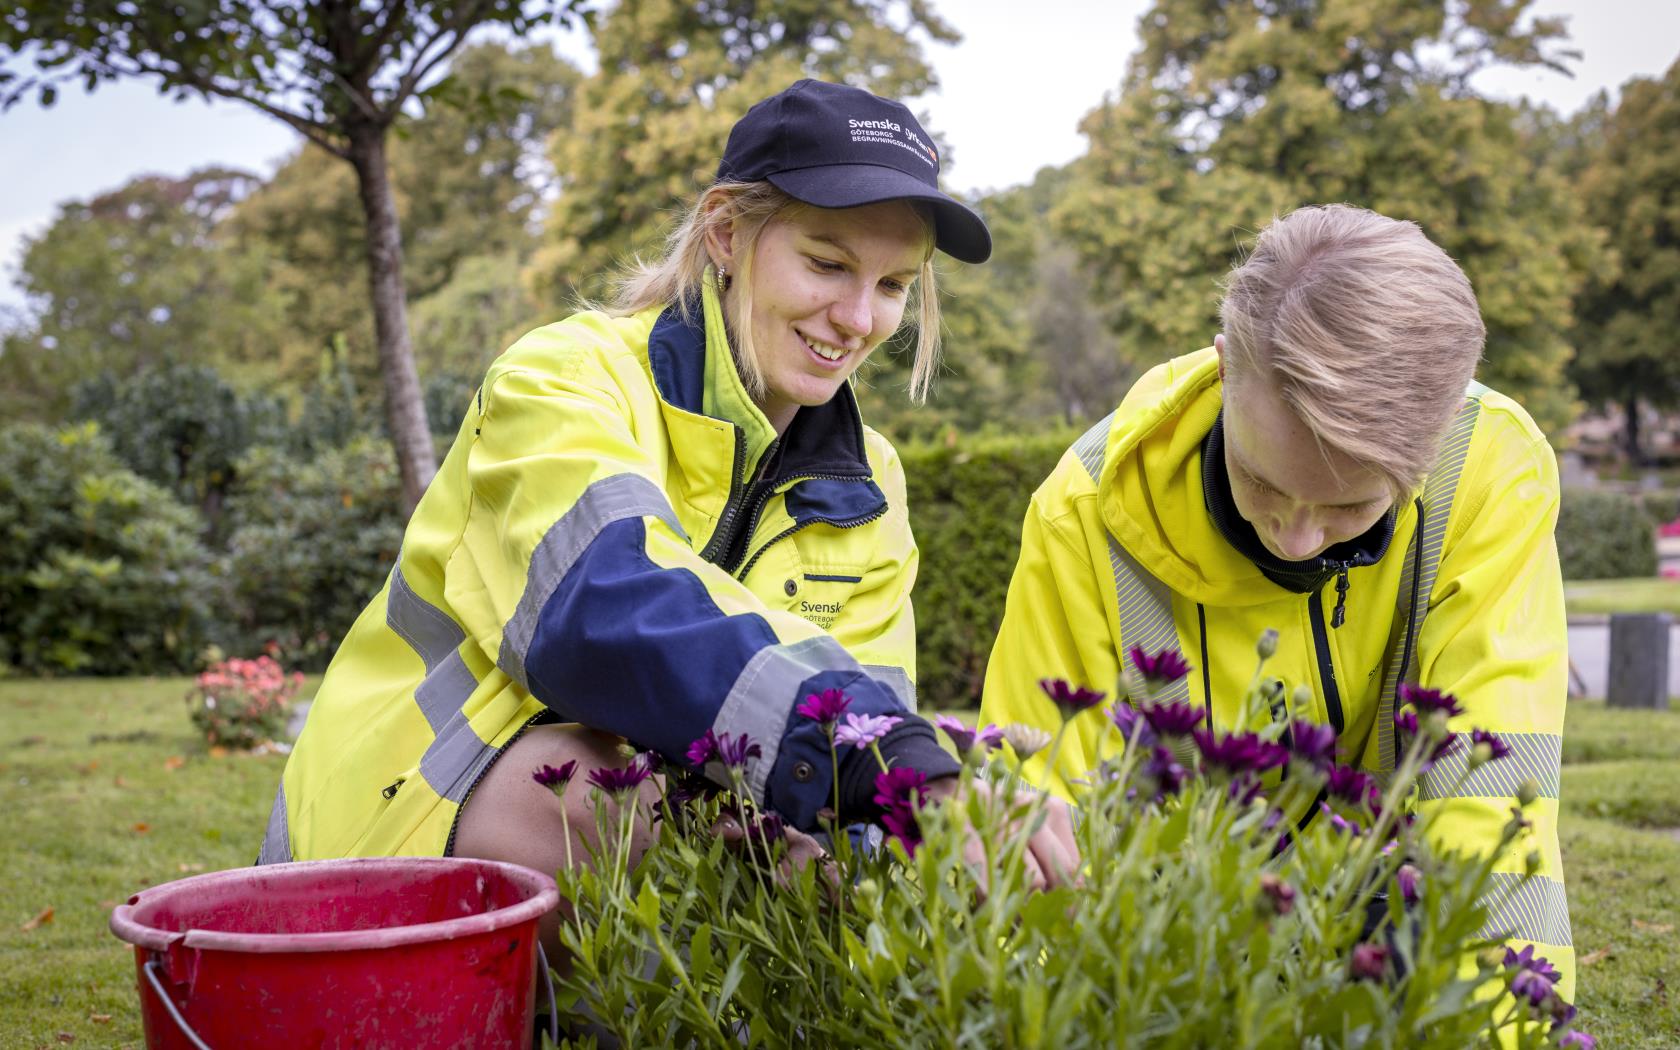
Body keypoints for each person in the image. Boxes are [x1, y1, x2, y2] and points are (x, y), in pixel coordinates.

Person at [259, 79, 1080, 953]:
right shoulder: (563, 378)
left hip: (663, 816)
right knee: (598, 795)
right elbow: (602, 609)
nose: (858, 318)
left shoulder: (872, 479)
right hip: (391, 829)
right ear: (727, 233)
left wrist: (890, 808)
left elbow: (867, 705)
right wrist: (872, 761)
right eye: (829, 264)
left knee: (854, 849)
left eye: (893, 285)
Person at [979, 205, 1573, 999]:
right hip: (1160, 950)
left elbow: (1491, 816)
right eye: (1262, 481)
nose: (1295, 541)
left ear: (1429, 446)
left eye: (1350, 510)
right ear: (1226, 367)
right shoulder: (1083, 510)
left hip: (1383, 920)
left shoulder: (1491, 468)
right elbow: (1031, 831)